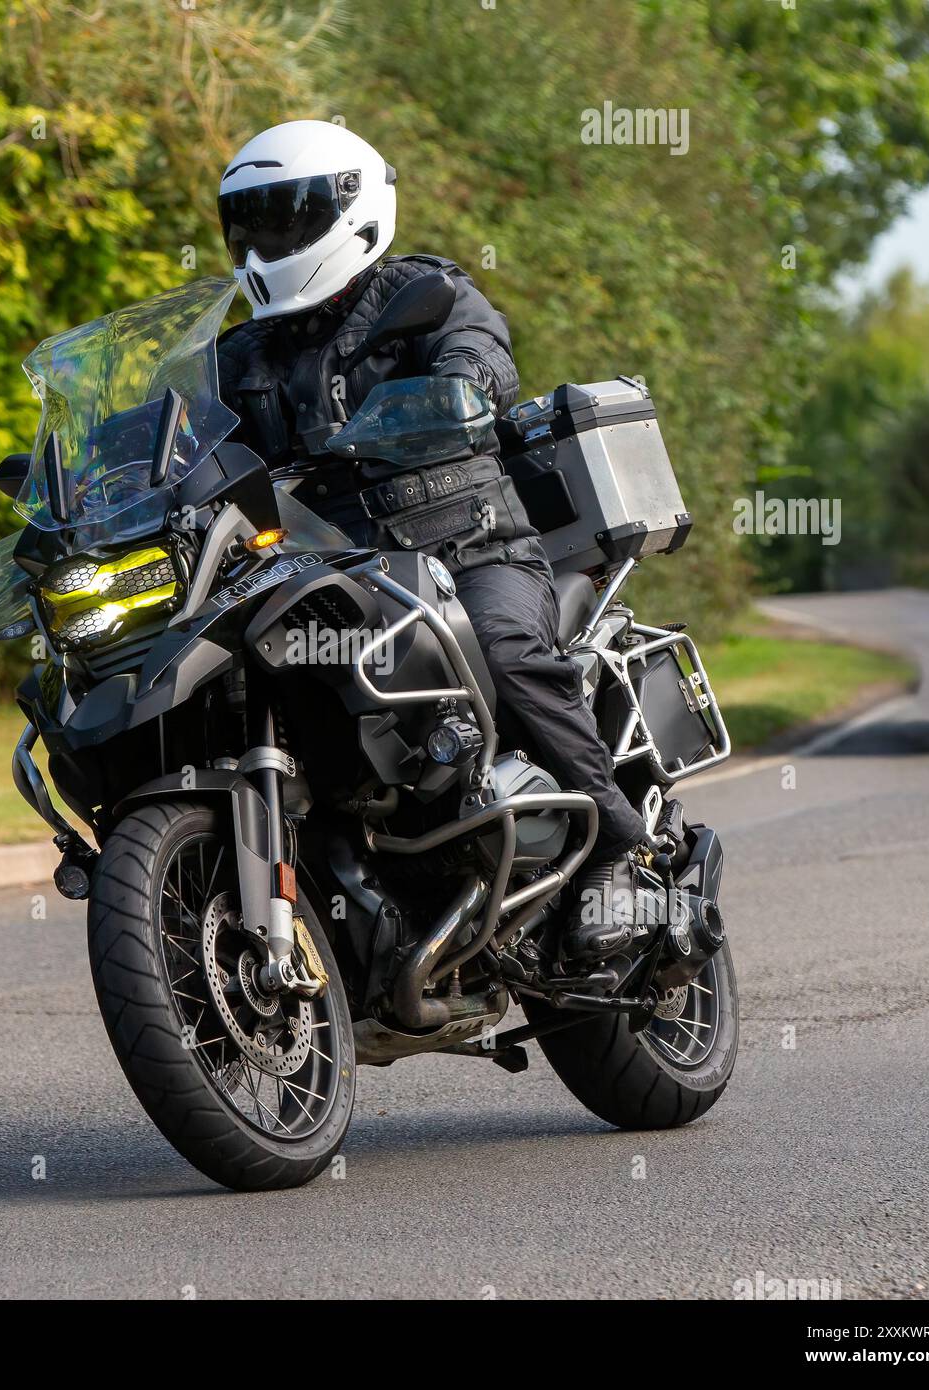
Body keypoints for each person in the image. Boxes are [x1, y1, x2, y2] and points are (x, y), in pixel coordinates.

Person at [215, 120, 647, 959]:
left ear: (354, 208)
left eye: (288, 217)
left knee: (505, 650)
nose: (269, 241)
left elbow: (482, 357)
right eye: (252, 222)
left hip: (467, 550)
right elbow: (181, 440)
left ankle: (622, 847)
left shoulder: (429, 297)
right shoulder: (239, 354)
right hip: (322, 574)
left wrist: (462, 387)